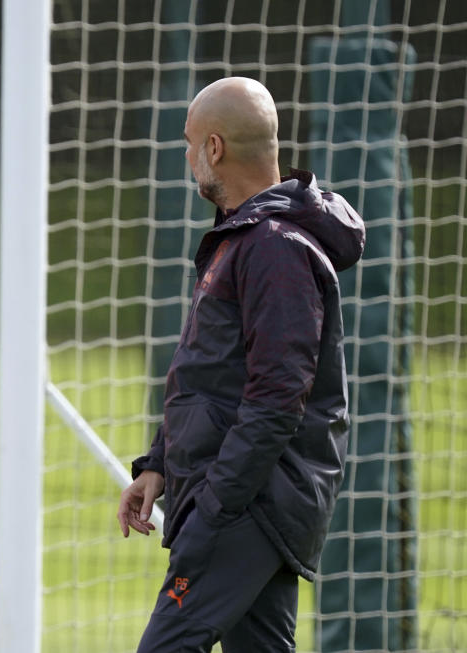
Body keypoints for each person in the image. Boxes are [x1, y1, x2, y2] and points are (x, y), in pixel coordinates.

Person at [116, 77, 366, 652]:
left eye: (189, 143)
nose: (186, 157)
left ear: (215, 149)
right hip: (249, 500)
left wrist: (216, 505)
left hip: (248, 504)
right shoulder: (244, 239)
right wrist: (157, 463)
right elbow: (210, 374)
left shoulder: (275, 249)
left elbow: (278, 398)